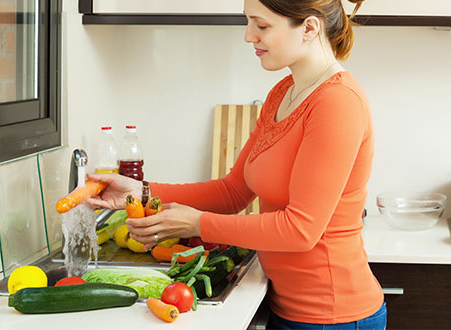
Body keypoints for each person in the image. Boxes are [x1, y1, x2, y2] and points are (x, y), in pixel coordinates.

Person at [86, 0, 386, 328]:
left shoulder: (337, 102)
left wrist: (198, 224)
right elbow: (233, 191)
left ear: (309, 28)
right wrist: (142, 191)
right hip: (288, 306)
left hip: (334, 315)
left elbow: (300, 230)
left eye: (262, 25)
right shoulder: (283, 93)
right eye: (248, 23)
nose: (248, 36)